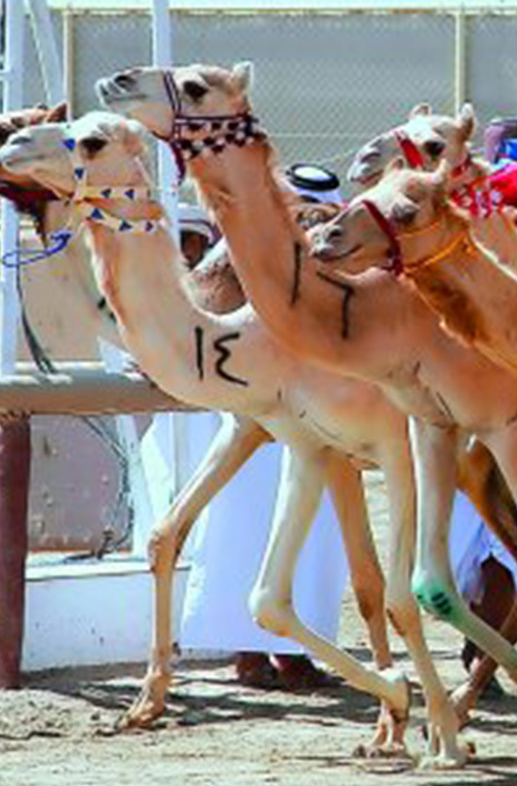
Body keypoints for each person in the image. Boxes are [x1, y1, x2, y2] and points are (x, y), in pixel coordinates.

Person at [163, 199, 345, 690]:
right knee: (242, 533)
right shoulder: (241, 255)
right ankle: (249, 654)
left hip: (317, 416)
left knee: (316, 539)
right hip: (253, 413)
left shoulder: (329, 251)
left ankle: (296, 653)